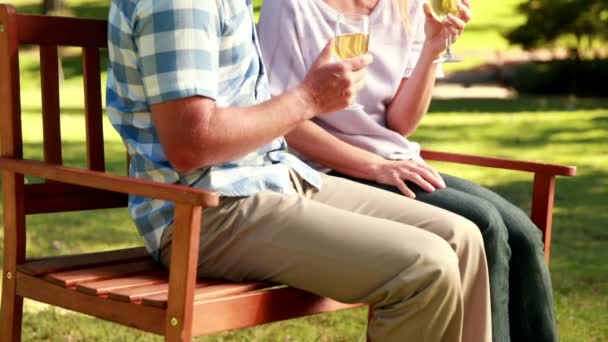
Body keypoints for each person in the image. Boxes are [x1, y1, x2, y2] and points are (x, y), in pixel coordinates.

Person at [106, 0, 491, 341]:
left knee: (462, 238)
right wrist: (309, 98)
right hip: (205, 210)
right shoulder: (181, 5)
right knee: (426, 268)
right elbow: (191, 145)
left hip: (270, 178)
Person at [258, 0, 556, 341]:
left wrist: (432, 49)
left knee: (523, 234)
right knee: (483, 224)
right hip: (320, 170)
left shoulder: (407, 6)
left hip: (392, 161)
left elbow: (400, 121)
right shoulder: (290, 7)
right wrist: (374, 166)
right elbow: (281, 122)